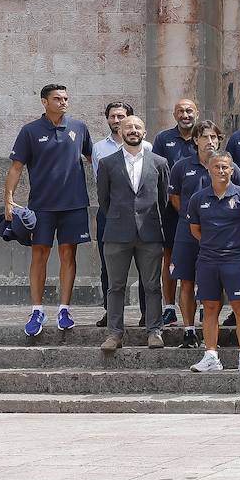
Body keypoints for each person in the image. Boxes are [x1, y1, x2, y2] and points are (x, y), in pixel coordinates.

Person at [8, 84, 93, 338]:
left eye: (66, 98)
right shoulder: (30, 131)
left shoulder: (79, 128)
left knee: (68, 255)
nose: (63, 102)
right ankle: (37, 310)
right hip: (41, 207)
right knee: (39, 256)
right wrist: (8, 201)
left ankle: (64, 309)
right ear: (45, 102)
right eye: (57, 99)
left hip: (74, 205)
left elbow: (96, 159)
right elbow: (16, 168)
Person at [95, 115, 170, 352]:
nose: (133, 130)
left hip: (150, 233)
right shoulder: (107, 163)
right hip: (117, 232)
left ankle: (154, 331)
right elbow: (103, 199)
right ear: (120, 131)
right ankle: (114, 334)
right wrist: (121, 217)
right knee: (115, 286)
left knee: (152, 286)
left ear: (145, 132)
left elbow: (163, 199)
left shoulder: (159, 162)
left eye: (137, 127)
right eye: (128, 127)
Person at [168, 121, 240, 347]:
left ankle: (211, 331)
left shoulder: (231, 168)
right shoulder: (181, 166)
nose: (209, 141)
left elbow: (238, 198)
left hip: (219, 236)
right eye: (205, 137)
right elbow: (175, 198)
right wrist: (196, 219)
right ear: (196, 140)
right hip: (187, 232)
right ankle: (189, 331)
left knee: (213, 284)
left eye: (214, 137)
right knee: (187, 281)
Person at [187, 151, 240, 372]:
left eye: (225, 167)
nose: (221, 171)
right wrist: (213, 243)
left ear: (231, 170)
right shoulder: (198, 199)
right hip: (207, 260)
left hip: (235, 260)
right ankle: (211, 356)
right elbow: (195, 229)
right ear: (209, 170)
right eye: (217, 167)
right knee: (209, 307)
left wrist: (235, 243)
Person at [92, 101, 141, 328]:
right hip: (110, 213)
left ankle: (147, 314)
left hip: (140, 214)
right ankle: (109, 313)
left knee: (145, 267)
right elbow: (100, 186)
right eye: (112, 116)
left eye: (121, 116)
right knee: (107, 266)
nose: (116, 120)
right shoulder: (99, 148)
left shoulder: (147, 147)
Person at [152, 98, 200, 328]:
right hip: (171, 208)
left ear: (196, 113)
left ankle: (201, 306)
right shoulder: (163, 139)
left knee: (203, 258)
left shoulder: (203, 137)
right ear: (174, 114)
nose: (185, 115)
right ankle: (169, 308)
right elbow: (157, 171)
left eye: (189, 110)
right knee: (169, 257)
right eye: (180, 111)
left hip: (201, 211)